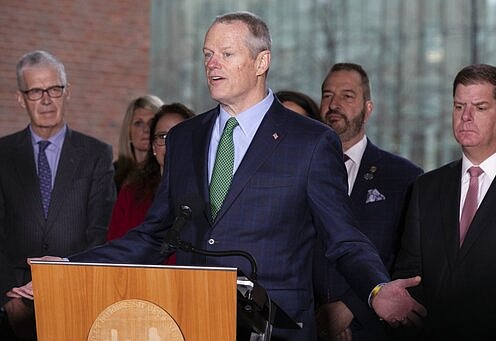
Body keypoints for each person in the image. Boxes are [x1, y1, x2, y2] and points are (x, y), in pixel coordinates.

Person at [10, 12, 426, 341]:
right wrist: (69, 266)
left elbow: (344, 239)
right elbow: (154, 235)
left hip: (273, 328)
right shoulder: (186, 138)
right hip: (190, 321)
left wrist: (376, 289)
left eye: (226, 54)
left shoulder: (310, 141)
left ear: (262, 61)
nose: (212, 64)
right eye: (207, 54)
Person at [0, 50, 116, 340]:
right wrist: (8, 299)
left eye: (54, 89)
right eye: (36, 91)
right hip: (13, 300)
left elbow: (100, 232)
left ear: (67, 92)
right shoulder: (2, 154)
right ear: (20, 98)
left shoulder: (96, 155)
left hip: (76, 296)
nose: (47, 100)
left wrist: (73, 283)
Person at [392, 63, 496, 340]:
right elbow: (411, 274)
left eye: (480, 108)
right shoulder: (427, 187)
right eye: (459, 107)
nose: (466, 117)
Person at [313, 63, 423, 341]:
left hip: (372, 328)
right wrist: (320, 317)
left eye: (347, 96)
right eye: (327, 95)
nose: (334, 104)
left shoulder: (403, 177)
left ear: (368, 108)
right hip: (305, 323)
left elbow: (403, 256)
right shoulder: (298, 168)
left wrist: (351, 308)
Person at [107, 103, 195, 265]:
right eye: (162, 137)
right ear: (153, 147)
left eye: (179, 136)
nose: (170, 144)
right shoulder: (131, 193)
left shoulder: (208, 194)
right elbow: (115, 248)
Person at [114, 94, 164, 192]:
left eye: (152, 123)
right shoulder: (112, 174)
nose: (146, 129)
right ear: (128, 131)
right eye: (138, 123)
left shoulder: (168, 173)